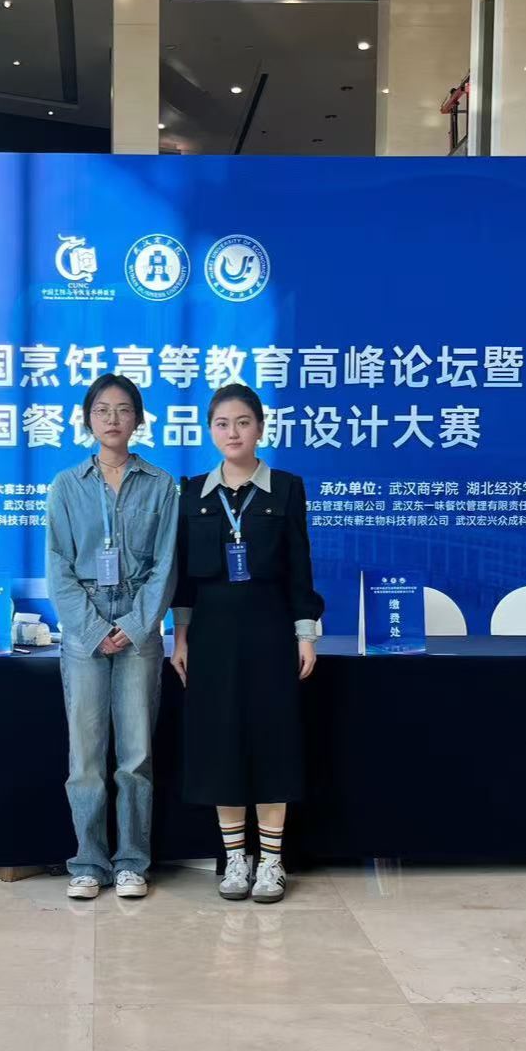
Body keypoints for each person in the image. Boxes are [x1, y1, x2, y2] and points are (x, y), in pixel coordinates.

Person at [171, 383, 323, 904]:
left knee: (272, 739)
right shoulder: (193, 492)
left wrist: (305, 635)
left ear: (259, 427)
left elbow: (300, 568)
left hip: (270, 630)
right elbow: (184, 580)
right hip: (211, 636)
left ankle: (272, 862)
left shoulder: (286, 488)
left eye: (242, 422)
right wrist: (181, 638)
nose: (232, 432)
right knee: (221, 742)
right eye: (222, 424)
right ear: (210, 431)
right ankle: (236, 858)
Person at [45, 374, 179, 901]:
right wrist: (96, 629)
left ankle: (131, 863)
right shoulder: (66, 485)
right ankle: (88, 862)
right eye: (102, 410)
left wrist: (133, 626)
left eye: (124, 410)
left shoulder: (160, 484)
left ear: (138, 419)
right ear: (88, 419)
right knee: (85, 756)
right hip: (84, 632)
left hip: (139, 630)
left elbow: (165, 566)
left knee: (136, 756)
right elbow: (58, 566)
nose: (113, 419)